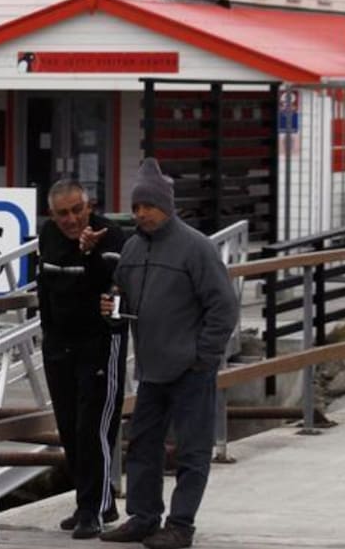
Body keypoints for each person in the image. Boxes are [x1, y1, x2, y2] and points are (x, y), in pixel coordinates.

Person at [99, 158, 238, 549]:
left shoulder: (197, 247)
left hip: (191, 370)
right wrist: (111, 309)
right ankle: (143, 518)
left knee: (192, 451)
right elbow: (120, 296)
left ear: (167, 205)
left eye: (148, 206)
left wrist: (203, 357)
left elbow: (223, 307)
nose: (141, 213)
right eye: (137, 207)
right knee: (142, 445)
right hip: (152, 370)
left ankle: (181, 526)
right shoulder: (131, 248)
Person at [37, 179, 127, 540]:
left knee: (95, 427)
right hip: (60, 344)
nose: (72, 219)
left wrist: (88, 255)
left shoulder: (113, 235)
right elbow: (50, 286)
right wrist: (48, 336)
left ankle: (95, 509)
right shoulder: (48, 235)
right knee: (70, 428)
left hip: (100, 341)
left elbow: (111, 288)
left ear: (90, 206)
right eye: (63, 214)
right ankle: (91, 502)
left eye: (78, 210)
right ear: (52, 215)